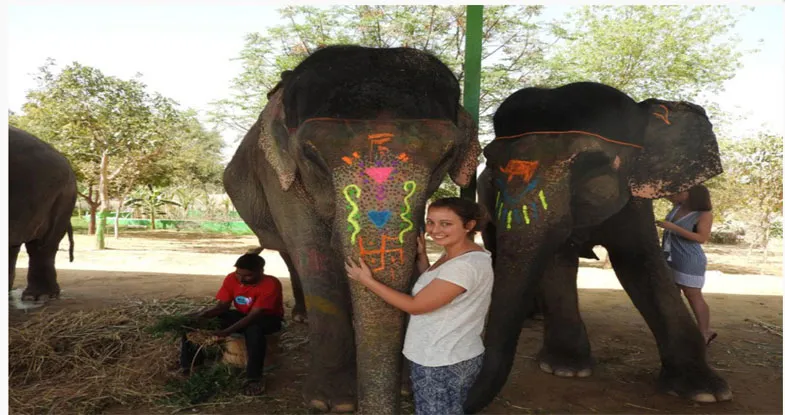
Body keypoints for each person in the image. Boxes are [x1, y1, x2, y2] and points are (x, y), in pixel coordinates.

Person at [345, 197, 493, 415]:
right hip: (453, 352)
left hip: (442, 359)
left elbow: (416, 305)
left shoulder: (463, 266)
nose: (435, 230)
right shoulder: (457, 256)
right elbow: (438, 288)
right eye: (430, 222)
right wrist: (422, 258)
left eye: (446, 224)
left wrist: (366, 280)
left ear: (469, 225)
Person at [181, 252, 284, 395]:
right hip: (243, 315)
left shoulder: (270, 283)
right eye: (238, 273)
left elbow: (254, 315)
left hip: (268, 318)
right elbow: (222, 306)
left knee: (254, 331)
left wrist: (226, 331)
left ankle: (254, 378)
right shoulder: (231, 278)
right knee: (193, 323)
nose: (241, 279)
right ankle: (191, 366)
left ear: (261, 272)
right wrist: (202, 315)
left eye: (247, 275)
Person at [656, 184, 717, 346]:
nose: (678, 192)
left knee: (693, 295)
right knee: (673, 294)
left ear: (691, 194)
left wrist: (673, 228)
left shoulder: (704, 214)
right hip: (670, 257)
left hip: (689, 259)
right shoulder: (677, 207)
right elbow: (664, 193)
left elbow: (701, 238)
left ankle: (705, 332)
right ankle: (679, 330)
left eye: (682, 190)